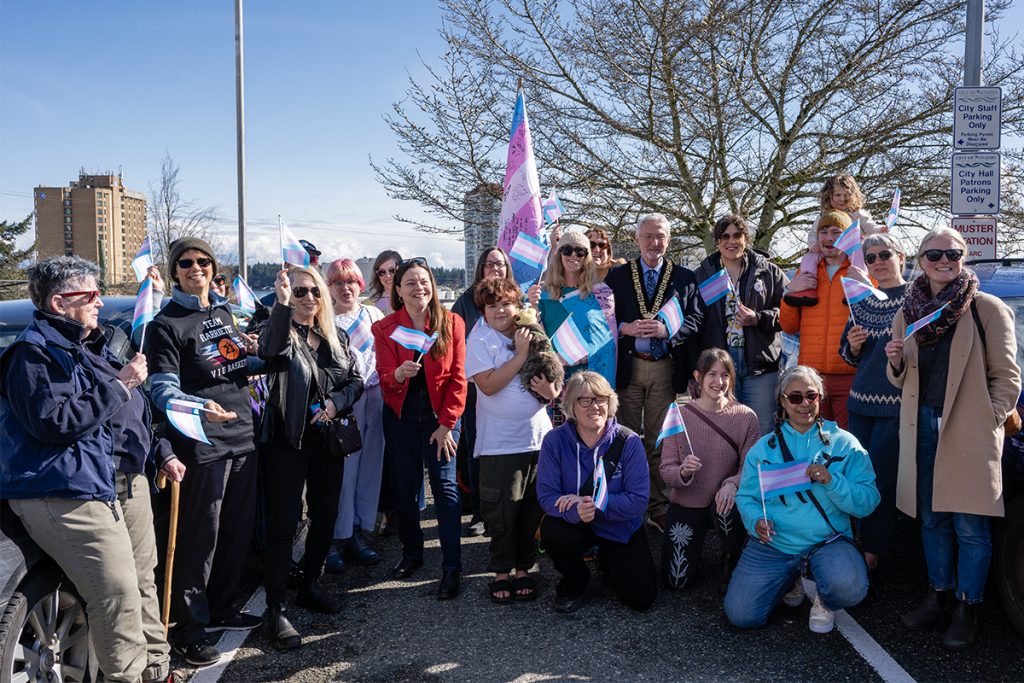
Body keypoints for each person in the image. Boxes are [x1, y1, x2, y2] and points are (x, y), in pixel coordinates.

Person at [0, 256, 184, 683]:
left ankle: (157, 671)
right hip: (63, 488)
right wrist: (121, 383)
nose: (100, 302)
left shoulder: (87, 345)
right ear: (62, 302)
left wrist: (160, 450)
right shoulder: (33, 355)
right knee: (115, 593)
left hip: (111, 479)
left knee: (141, 583)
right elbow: (55, 422)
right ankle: (128, 677)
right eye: (92, 295)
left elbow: (125, 420)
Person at [885, 227, 1021, 650]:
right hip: (922, 421)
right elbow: (902, 377)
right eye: (935, 254)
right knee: (932, 517)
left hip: (967, 427)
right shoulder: (908, 310)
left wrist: (987, 422)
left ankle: (968, 607)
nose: (945, 261)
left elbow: (1008, 379)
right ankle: (938, 596)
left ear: (963, 257)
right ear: (921, 260)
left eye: (954, 253)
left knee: (971, 525)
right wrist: (895, 363)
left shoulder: (987, 308)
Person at [147, 237, 262, 666]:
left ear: (214, 268)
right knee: (201, 540)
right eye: (186, 262)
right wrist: (200, 407)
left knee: (236, 529)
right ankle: (188, 628)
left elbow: (232, 364)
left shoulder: (222, 312)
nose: (196, 267)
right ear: (174, 270)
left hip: (242, 437)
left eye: (203, 261)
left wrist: (266, 354)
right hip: (200, 443)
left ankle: (224, 606)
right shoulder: (166, 324)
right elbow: (160, 389)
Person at [725, 365, 879, 634]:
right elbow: (747, 497)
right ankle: (789, 579)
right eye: (795, 397)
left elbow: (869, 502)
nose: (804, 404)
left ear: (821, 397)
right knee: (741, 615)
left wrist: (833, 481)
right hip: (775, 543)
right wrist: (755, 522)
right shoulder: (762, 449)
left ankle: (825, 598)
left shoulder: (846, 444)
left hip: (828, 541)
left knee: (850, 589)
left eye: (812, 396)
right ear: (782, 401)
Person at [257, 266, 363, 649]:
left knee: (326, 516)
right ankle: (275, 608)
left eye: (314, 292)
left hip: (327, 440)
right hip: (289, 440)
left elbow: (356, 381)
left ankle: (311, 584)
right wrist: (281, 305)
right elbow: (268, 352)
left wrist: (336, 404)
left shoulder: (336, 337)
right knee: (284, 523)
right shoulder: (281, 331)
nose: (308, 299)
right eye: (300, 292)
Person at [373, 257, 467, 599]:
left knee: (444, 487)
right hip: (400, 415)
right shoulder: (384, 328)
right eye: (410, 282)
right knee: (404, 486)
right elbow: (385, 378)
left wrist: (446, 425)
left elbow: (458, 378)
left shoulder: (450, 322)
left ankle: (452, 565)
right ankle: (412, 553)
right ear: (397, 290)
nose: (419, 288)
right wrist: (397, 376)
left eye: (424, 281)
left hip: (439, 415)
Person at [605, 213, 703, 532]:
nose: (654, 242)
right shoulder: (617, 276)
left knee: (662, 439)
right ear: (637, 239)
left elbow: (695, 320)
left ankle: (659, 504)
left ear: (668, 239)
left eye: (660, 236)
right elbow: (602, 318)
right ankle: (630, 504)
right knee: (626, 438)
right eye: (647, 236)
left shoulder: (685, 277)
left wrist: (668, 332)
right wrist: (625, 327)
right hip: (628, 367)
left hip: (664, 368)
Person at [466, 277, 560, 602]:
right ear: (484, 311)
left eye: (505, 303)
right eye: (492, 306)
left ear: (517, 305)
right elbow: (488, 385)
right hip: (500, 443)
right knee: (502, 512)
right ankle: (502, 570)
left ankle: (525, 568)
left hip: (537, 438)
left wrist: (552, 393)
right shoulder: (480, 338)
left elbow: (552, 376)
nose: (500, 311)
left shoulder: (533, 330)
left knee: (532, 509)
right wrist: (519, 356)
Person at [537, 371, 656, 612]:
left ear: (610, 402)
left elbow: (638, 501)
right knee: (552, 529)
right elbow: (547, 496)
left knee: (642, 598)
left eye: (600, 399)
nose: (595, 406)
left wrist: (592, 503)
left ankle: (608, 561)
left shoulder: (629, 441)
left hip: (619, 526)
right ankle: (575, 579)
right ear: (571, 405)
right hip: (576, 523)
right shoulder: (554, 441)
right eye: (585, 400)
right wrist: (576, 510)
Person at [838, 233, 910, 593]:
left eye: (884, 255)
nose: (878, 262)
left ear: (900, 256)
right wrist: (852, 346)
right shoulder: (861, 300)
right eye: (871, 257)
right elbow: (847, 355)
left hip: (895, 409)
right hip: (859, 405)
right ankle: (854, 547)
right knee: (857, 479)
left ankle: (873, 554)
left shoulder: (915, 298)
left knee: (880, 481)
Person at [659, 349, 760, 592]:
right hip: (687, 501)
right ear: (698, 376)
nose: (719, 381)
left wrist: (732, 483)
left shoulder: (746, 416)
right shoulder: (679, 416)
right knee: (676, 581)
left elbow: (751, 466)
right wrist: (683, 472)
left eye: (725, 375)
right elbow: (666, 468)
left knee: (728, 508)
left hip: (725, 502)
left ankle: (732, 553)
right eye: (712, 374)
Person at [695, 215, 787, 435]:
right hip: (720, 368)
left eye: (737, 235)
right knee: (724, 431)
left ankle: (760, 471)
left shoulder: (768, 271)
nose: (731, 241)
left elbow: (789, 314)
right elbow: (695, 320)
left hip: (760, 366)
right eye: (725, 236)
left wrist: (758, 318)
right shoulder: (703, 274)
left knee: (762, 429)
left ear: (746, 238)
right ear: (717, 242)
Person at [452, 247, 517, 537]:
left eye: (501, 264)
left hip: (512, 387)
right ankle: (480, 511)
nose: (496, 268)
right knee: (477, 450)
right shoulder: (465, 302)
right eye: (490, 263)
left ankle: (509, 508)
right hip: (476, 388)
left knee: (508, 450)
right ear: (480, 267)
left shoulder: (516, 298)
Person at [326, 258, 386, 570]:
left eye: (350, 281)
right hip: (345, 403)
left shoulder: (373, 314)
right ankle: (338, 535)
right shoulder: (324, 320)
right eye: (338, 282)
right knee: (345, 471)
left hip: (376, 398)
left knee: (370, 468)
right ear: (329, 287)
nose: (345, 288)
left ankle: (360, 532)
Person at [780, 209, 859, 429]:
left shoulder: (860, 271)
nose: (829, 237)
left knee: (847, 444)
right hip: (811, 378)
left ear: (848, 237)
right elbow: (788, 325)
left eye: (836, 231)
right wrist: (789, 293)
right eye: (823, 231)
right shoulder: (806, 271)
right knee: (815, 441)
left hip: (849, 375)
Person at [528, 230, 617, 388]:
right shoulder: (544, 292)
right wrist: (533, 306)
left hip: (590, 376)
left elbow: (607, 341)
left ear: (586, 256)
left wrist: (581, 357)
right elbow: (537, 334)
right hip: (555, 375)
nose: (573, 255)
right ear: (559, 254)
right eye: (567, 250)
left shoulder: (600, 292)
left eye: (580, 251)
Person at [785, 174, 882, 307]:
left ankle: (856, 284)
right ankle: (808, 285)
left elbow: (870, 227)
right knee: (809, 258)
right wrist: (813, 245)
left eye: (846, 195)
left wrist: (880, 230)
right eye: (838, 195)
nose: (842, 199)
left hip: (853, 248)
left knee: (858, 253)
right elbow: (814, 233)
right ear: (828, 196)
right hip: (828, 250)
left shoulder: (858, 213)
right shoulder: (823, 216)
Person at [366, 249, 402, 315]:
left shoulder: (412, 298)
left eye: (392, 270)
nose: (387, 276)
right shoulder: (370, 305)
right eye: (381, 272)